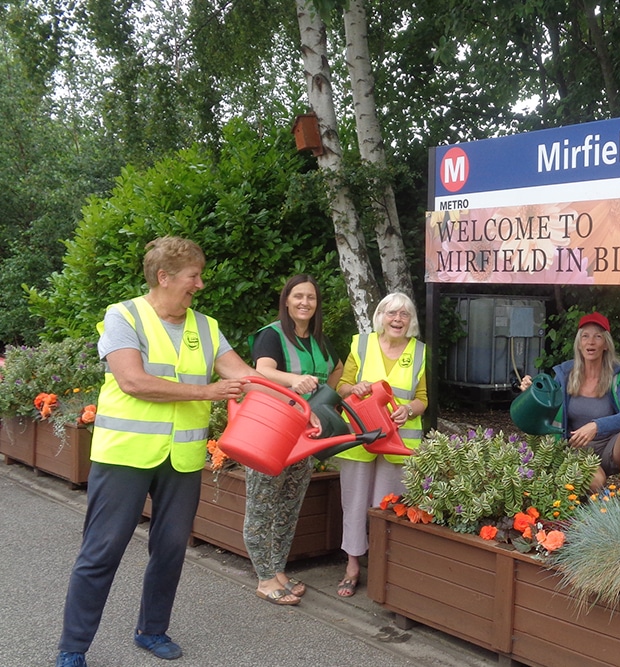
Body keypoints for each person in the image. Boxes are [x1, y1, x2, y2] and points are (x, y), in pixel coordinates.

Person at [56, 237, 263, 667]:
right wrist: (207, 390)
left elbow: (242, 373)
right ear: (164, 277)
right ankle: (72, 648)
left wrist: (294, 386)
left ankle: (152, 631)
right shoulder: (122, 315)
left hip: (180, 459)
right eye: (194, 275)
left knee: (169, 549)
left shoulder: (205, 326)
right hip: (124, 457)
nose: (200, 284)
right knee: (103, 550)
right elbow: (133, 381)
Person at [243, 275, 344, 605]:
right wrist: (295, 380)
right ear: (286, 301)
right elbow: (262, 371)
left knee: (288, 505)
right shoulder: (271, 336)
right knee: (262, 505)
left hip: (306, 436)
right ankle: (263, 578)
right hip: (270, 431)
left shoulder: (321, 341)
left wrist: (331, 396)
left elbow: (336, 371)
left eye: (311, 297)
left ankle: (278, 570)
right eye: (298, 296)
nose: (305, 302)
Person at [335, 292, 426, 598]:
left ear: (411, 321)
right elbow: (342, 386)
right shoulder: (361, 344)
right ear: (380, 317)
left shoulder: (421, 352)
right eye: (391, 313)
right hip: (361, 436)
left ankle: (381, 567)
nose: (397, 319)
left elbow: (423, 399)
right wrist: (354, 387)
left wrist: (409, 409)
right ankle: (352, 566)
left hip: (397, 441)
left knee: (384, 506)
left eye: (404, 315)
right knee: (355, 503)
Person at [519, 312, 620, 495]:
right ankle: (597, 501)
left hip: (610, 446)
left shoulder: (619, 374)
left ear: (605, 344)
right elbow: (547, 402)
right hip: (576, 448)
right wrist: (531, 392)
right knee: (597, 482)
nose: (591, 342)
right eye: (585, 336)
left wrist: (596, 426)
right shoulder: (564, 373)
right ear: (579, 344)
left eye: (597, 336)